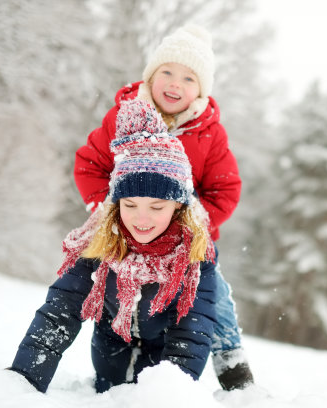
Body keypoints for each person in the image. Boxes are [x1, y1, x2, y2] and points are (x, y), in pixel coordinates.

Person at [73, 24, 254, 390]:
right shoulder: (124, 117)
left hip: (186, 243)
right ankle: (113, 361)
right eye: (166, 72)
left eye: (189, 78)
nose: (175, 83)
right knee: (91, 279)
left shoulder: (209, 133)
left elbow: (225, 189)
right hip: (124, 231)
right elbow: (90, 164)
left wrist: (193, 222)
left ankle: (232, 365)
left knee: (211, 293)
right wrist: (106, 209)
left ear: (200, 90)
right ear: (150, 76)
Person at [10, 100, 218, 393]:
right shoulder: (101, 242)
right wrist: (23, 380)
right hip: (110, 348)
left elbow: (192, 333)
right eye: (130, 205)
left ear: (178, 208)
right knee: (108, 393)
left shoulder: (196, 256)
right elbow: (60, 312)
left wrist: (166, 395)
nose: (141, 218)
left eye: (157, 207)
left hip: (164, 358)